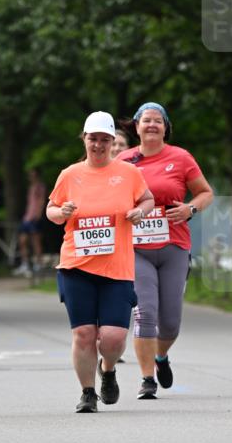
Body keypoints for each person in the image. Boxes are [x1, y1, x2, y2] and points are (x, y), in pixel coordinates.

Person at [47, 111, 153, 413]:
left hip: (116, 268)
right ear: (84, 139)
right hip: (76, 266)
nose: (98, 145)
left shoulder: (129, 174)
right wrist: (61, 213)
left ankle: (107, 369)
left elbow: (147, 199)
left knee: (112, 337)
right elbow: (50, 210)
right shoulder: (70, 174)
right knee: (84, 334)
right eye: (93, 139)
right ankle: (88, 393)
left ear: (112, 141)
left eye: (104, 139)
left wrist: (141, 212)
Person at [119, 101, 213, 399]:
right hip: (136, 248)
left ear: (165, 127)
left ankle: (161, 356)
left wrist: (190, 209)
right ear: (136, 126)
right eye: (146, 120)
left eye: (158, 121)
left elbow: (205, 193)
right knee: (144, 313)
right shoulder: (123, 161)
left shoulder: (181, 157)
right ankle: (147, 378)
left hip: (174, 245)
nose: (152, 125)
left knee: (170, 322)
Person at [14, 168, 46, 276]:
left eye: (32, 175)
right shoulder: (31, 187)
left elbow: (41, 201)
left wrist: (38, 215)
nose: (30, 177)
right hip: (27, 217)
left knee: (36, 241)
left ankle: (39, 263)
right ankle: (25, 264)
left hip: (34, 217)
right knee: (22, 240)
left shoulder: (39, 187)